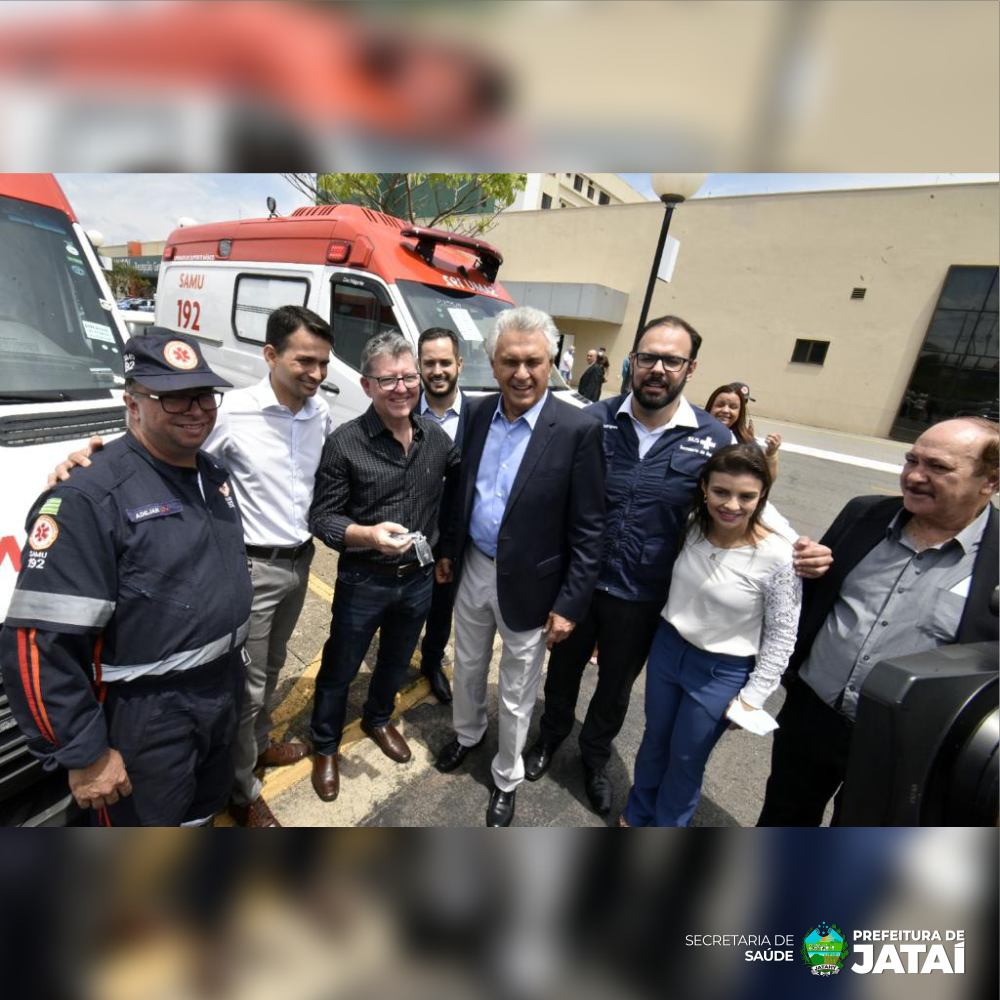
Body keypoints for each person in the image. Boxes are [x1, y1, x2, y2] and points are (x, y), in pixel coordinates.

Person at [525, 316, 831, 816]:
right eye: (648, 357)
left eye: (672, 360)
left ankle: (594, 757)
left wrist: (800, 544)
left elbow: (750, 500)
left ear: (691, 368)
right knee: (561, 675)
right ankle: (549, 739)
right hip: (581, 583)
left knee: (615, 689)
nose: (657, 369)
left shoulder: (714, 438)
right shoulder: (593, 420)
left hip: (645, 596)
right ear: (632, 362)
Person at [46, 306, 336, 827]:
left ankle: (253, 749)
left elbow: (190, 463)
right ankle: (244, 791)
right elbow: (152, 446)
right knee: (246, 690)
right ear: (271, 356)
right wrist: (87, 462)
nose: (316, 373)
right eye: (304, 361)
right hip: (252, 568)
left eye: (323, 363)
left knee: (266, 674)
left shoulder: (320, 414)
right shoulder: (232, 413)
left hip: (298, 563)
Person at [1, 330, 253, 825]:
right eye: (174, 397)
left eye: (204, 394)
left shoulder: (212, 473)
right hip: (148, 715)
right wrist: (85, 752)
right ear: (132, 403)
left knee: (201, 815)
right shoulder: (88, 496)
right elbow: (37, 643)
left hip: (221, 691)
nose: (196, 409)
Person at [758, 417, 999, 826]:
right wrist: (807, 568)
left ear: (990, 481)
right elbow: (815, 596)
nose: (914, 476)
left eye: (938, 467)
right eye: (911, 460)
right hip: (811, 715)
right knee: (783, 817)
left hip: (905, 743)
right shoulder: (863, 513)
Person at [433, 306, 606, 827]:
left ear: (551, 362)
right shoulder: (476, 412)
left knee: (515, 691)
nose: (522, 373)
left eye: (533, 361)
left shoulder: (578, 429)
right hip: (475, 566)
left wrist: (570, 604)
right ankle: (468, 735)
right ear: (493, 363)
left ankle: (506, 777)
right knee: (467, 666)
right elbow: (460, 489)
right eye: (510, 361)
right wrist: (448, 549)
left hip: (535, 585)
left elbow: (589, 527)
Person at [308, 332, 460, 804]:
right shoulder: (345, 443)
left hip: (417, 579)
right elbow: (323, 518)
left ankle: (377, 719)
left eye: (409, 377)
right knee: (340, 667)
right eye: (388, 379)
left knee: (395, 660)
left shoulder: (434, 437)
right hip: (364, 579)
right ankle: (325, 745)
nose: (401, 388)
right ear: (367, 385)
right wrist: (367, 535)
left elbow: (461, 481)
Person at [621, 443, 801, 826]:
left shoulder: (779, 556)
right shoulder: (692, 527)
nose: (732, 505)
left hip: (722, 671)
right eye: (721, 491)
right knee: (655, 741)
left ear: (762, 497)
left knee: (686, 758)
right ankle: (639, 811)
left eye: (746, 496)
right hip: (668, 650)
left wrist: (752, 698)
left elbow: (783, 635)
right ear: (704, 488)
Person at [416, 326, 470, 705]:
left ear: (459, 364)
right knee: (400, 606)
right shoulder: (401, 409)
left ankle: (431, 662)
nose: (437, 370)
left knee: (441, 607)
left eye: (445, 362)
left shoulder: (479, 416)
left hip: (453, 535)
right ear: (419, 366)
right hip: (408, 531)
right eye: (429, 362)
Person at [706, 382, 781, 480]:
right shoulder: (695, 430)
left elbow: (765, 478)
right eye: (720, 404)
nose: (725, 410)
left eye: (733, 406)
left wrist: (771, 454)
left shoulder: (746, 440)